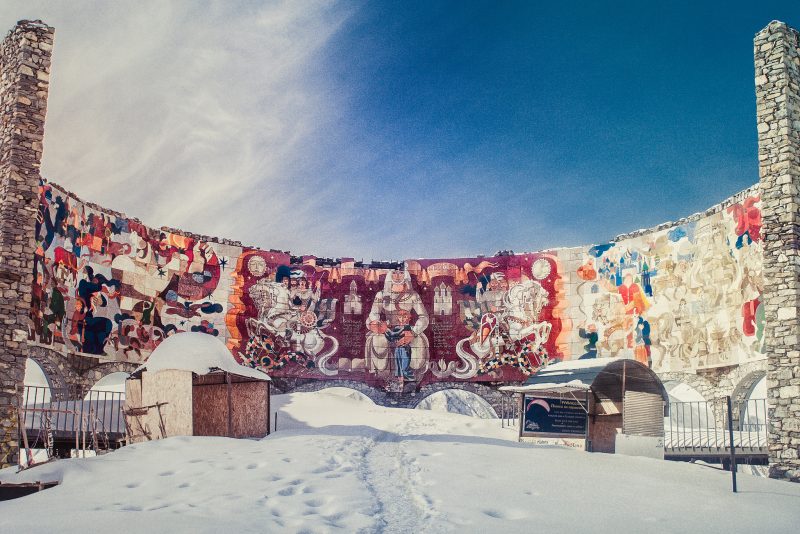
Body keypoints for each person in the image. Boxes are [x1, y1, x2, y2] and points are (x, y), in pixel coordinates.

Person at [364, 269, 429, 380]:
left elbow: (424, 317)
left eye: (401, 273)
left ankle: (410, 377)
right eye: (394, 273)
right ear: (390, 275)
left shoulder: (413, 295)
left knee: (417, 342)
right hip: (387, 329)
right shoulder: (381, 294)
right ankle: (383, 377)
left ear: (406, 275)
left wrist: (413, 333)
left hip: (407, 329)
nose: (398, 276)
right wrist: (377, 324)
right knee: (378, 340)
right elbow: (373, 314)